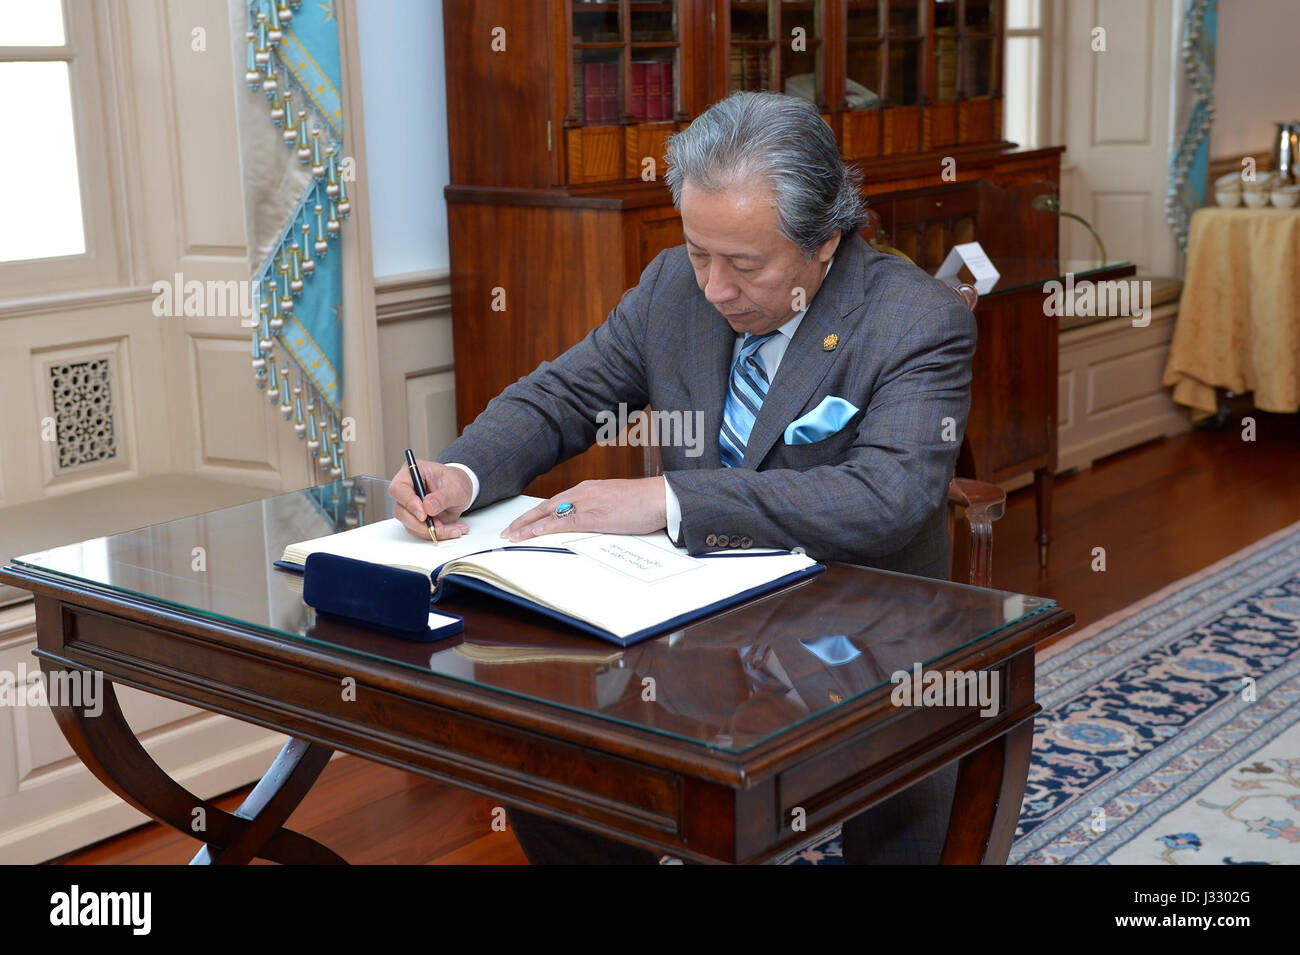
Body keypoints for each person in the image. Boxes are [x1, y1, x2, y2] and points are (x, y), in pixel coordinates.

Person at [388, 90, 976, 864]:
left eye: (744, 265)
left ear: (825, 242)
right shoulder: (672, 287)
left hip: (864, 641)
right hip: (692, 632)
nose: (713, 288)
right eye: (700, 252)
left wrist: (668, 497)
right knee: (545, 763)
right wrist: (460, 474)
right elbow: (564, 396)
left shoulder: (916, 318)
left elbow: (888, 495)